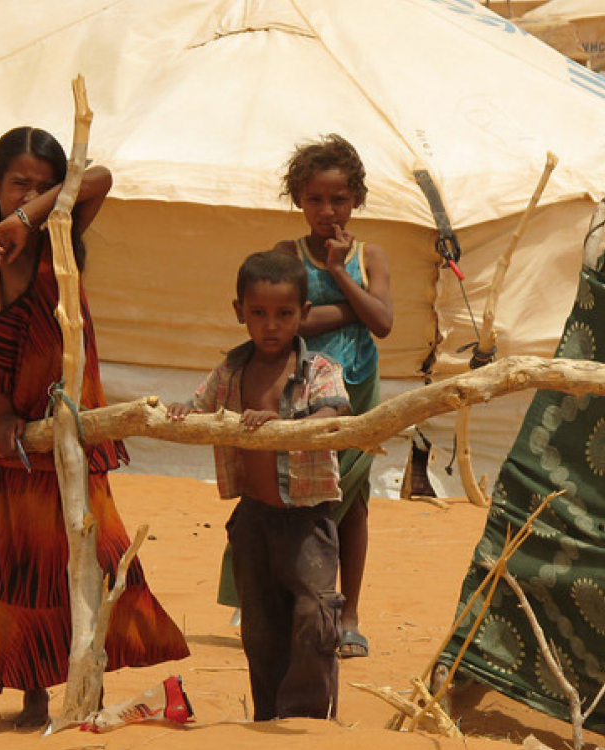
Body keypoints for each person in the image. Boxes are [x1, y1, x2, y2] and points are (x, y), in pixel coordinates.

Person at [0, 126, 188, 727]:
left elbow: (100, 179)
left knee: (100, 547)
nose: (28, 196)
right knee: (30, 558)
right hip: (20, 416)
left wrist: (36, 213)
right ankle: (34, 688)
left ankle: (86, 669)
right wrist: (5, 412)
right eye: (18, 185)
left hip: (76, 413)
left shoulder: (59, 231)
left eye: (43, 186)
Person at [168, 250, 351, 720]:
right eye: (259, 313)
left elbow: (335, 412)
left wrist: (286, 422)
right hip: (253, 519)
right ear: (240, 313)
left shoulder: (320, 369)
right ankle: (268, 718)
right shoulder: (230, 370)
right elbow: (199, 407)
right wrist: (182, 413)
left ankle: (307, 719)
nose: (271, 325)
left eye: (284, 314)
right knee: (261, 628)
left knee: (314, 615)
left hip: (306, 520)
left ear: (304, 314)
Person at [276, 134, 392, 659]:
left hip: (359, 392)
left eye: (339, 199)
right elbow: (290, 319)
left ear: (357, 200)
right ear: (299, 199)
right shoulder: (286, 255)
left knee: (353, 504)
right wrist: (354, 306)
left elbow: (384, 323)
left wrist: (341, 273)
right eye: (316, 199)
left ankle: (350, 613)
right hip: (301, 391)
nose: (328, 210)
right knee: (296, 497)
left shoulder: (372, 256)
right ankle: (293, 600)